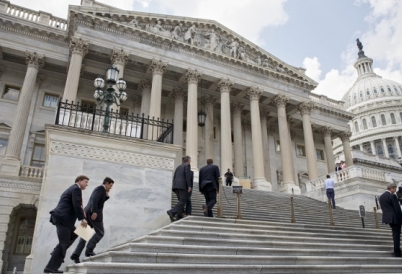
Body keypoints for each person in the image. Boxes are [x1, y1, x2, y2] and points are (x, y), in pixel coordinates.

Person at [44, 175, 89, 274]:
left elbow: (75, 204)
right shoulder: (76, 189)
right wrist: (82, 219)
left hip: (64, 220)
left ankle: (56, 252)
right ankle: (50, 268)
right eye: (86, 182)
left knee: (75, 234)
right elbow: (76, 204)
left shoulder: (73, 189)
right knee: (63, 244)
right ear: (79, 181)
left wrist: (82, 212)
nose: (87, 184)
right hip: (63, 219)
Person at [70, 177, 114, 263]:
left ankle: (76, 254)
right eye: (110, 186)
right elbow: (94, 200)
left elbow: (99, 201)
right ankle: (89, 250)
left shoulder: (101, 190)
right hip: (93, 214)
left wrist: (106, 194)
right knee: (100, 232)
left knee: (84, 235)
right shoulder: (100, 188)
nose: (110, 188)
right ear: (107, 183)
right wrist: (94, 212)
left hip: (88, 213)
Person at [379, 182, 402, 257]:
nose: (395, 190)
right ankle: (397, 252)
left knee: (395, 235)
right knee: (396, 235)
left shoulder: (381, 197)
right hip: (395, 218)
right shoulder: (392, 196)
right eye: (395, 188)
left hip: (388, 218)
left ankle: (397, 250)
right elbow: (397, 209)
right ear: (391, 188)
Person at [167, 156, 192, 222]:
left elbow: (174, 176)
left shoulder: (178, 167)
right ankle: (172, 212)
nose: (190, 162)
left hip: (176, 186)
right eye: (190, 160)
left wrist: (174, 186)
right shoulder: (187, 165)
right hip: (182, 186)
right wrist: (189, 186)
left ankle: (179, 216)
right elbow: (187, 176)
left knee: (181, 200)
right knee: (183, 200)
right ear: (188, 161)